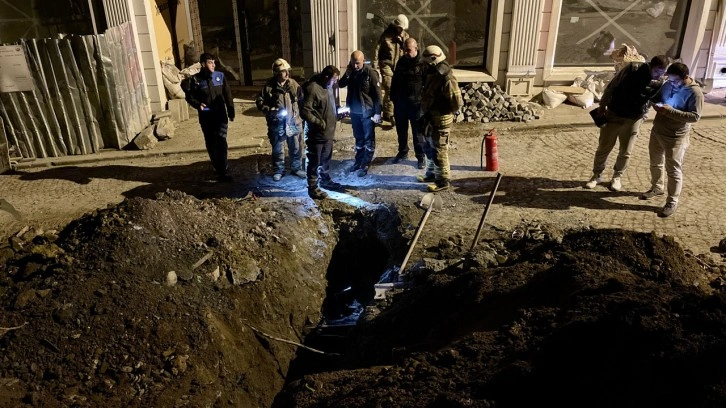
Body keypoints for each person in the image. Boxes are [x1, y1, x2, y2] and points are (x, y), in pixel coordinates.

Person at [585, 55, 669, 191]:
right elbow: (611, 87)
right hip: (614, 113)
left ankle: (617, 177)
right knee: (604, 147)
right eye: (658, 71)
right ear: (651, 66)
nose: (660, 75)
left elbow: (650, 99)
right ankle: (596, 175)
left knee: (625, 151)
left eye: (662, 72)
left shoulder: (659, 81)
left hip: (634, 118)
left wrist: (644, 115)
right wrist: (602, 106)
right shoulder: (632, 69)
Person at [639, 62, 703, 217]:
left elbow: (695, 117)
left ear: (685, 77)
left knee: (673, 170)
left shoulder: (695, 93)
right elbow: (657, 97)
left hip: (676, 137)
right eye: (670, 80)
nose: (671, 83)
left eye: (675, 81)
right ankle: (657, 187)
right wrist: (655, 104)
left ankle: (672, 201)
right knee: (655, 162)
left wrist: (670, 112)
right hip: (658, 131)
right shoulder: (667, 84)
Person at [417, 45, 463, 192]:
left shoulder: (446, 77)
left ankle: (442, 181)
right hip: (430, 117)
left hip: (441, 120)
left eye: (425, 62)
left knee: (439, 150)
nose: (423, 66)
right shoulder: (433, 73)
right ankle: (431, 174)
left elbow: (456, 101)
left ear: (433, 60)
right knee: (429, 147)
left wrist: (447, 112)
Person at [185, 52, 235, 182]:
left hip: (221, 116)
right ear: (203, 64)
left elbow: (227, 94)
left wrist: (231, 111)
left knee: (222, 141)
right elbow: (189, 96)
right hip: (207, 117)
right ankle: (217, 166)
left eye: (214, 62)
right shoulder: (195, 80)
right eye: (210, 62)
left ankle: (223, 169)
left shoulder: (220, 76)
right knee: (211, 143)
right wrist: (197, 104)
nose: (213, 64)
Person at [255, 58, 305, 181]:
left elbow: (302, 100)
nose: (287, 74)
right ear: (277, 73)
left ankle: (296, 168)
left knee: (296, 147)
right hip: (277, 124)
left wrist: (302, 116)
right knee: (278, 149)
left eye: (287, 71)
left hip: (293, 122)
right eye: (284, 71)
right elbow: (259, 102)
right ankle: (279, 170)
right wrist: (269, 110)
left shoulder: (293, 84)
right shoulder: (269, 87)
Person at [300, 65, 342, 200]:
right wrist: (318, 122)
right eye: (333, 79)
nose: (335, 82)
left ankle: (324, 179)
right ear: (326, 77)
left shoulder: (328, 87)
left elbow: (330, 105)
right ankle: (312, 187)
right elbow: (305, 111)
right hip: (316, 134)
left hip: (328, 133)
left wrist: (337, 114)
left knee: (325, 158)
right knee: (314, 160)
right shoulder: (313, 88)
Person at [338, 50, 382, 177]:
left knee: (368, 139)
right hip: (354, 112)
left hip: (367, 112)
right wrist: (347, 74)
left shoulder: (370, 73)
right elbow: (340, 85)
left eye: (357, 63)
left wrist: (378, 112)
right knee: (358, 139)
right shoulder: (351, 72)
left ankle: (365, 163)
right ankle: (358, 161)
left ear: (363, 60)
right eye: (353, 63)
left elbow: (378, 94)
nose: (355, 66)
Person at [390, 37, 426, 169]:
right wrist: (393, 98)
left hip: (416, 105)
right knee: (401, 131)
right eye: (404, 50)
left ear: (416, 49)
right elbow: (394, 81)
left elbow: (427, 85)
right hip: (401, 104)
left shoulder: (422, 64)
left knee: (418, 133)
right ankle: (403, 152)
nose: (405, 52)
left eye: (408, 50)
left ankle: (421, 156)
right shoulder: (401, 62)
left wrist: (424, 103)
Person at [375, 14, 409, 125]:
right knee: (390, 87)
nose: (401, 31)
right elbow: (377, 52)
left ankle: (395, 112)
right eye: (400, 28)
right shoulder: (386, 36)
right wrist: (376, 68)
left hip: (400, 66)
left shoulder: (405, 37)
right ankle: (389, 115)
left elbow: (410, 49)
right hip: (387, 65)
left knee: (400, 89)